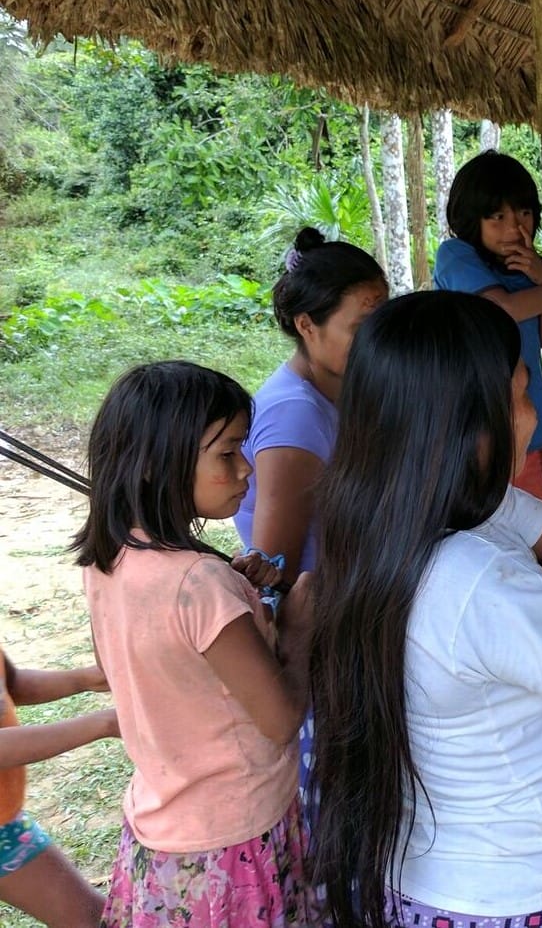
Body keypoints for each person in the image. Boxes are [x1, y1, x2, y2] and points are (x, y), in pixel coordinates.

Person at [308, 290, 542, 928]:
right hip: (510, 892)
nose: (531, 415)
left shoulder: (407, 518)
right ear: (462, 426)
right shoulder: (474, 582)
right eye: (517, 396)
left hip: (465, 875)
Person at [75, 362, 315, 926]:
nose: (247, 469)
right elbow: (280, 720)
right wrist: (299, 627)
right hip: (235, 840)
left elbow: (163, 658)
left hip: (164, 831)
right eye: (228, 453)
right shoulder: (198, 584)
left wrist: (240, 595)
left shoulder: (110, 560)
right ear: (162, 464)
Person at [433, 151, 542, 501]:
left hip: (528, 434)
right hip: (473, 436)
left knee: (531, 539)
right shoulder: (456, 255)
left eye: (524, 213)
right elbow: (501, 310)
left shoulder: (526, 270)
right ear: (470, 218)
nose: (515, 227)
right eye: (497, 216)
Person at [234, 226, 388, 584]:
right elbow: (276, 572)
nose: (378, 340)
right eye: (361, 328)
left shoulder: (342, 388)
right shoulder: (294, 417)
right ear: (307, 325)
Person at [0, 647, 117, 928]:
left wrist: (86, 678)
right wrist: (103, 724)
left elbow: (12, 685)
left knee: (95, 920)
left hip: (5, 826)